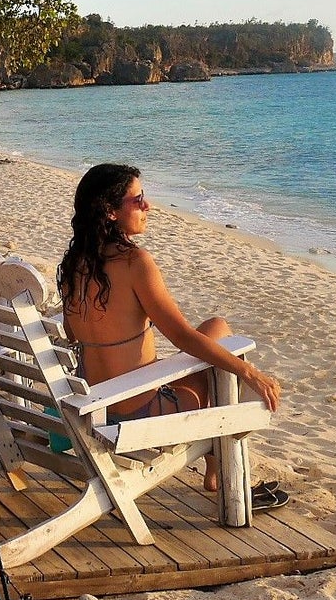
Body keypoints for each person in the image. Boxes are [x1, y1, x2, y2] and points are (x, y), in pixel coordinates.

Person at [56, 163, 284, 498]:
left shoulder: (75, 263)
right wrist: (250, 372)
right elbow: (182, 337)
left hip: (97, 410)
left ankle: (213, 463)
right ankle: (219, 469)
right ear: (110, 212)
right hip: (140, 419)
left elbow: (72, 334)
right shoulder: (135, 263)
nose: (147, 206)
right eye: (138, 200)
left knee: (215, 327)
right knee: (221, 353)